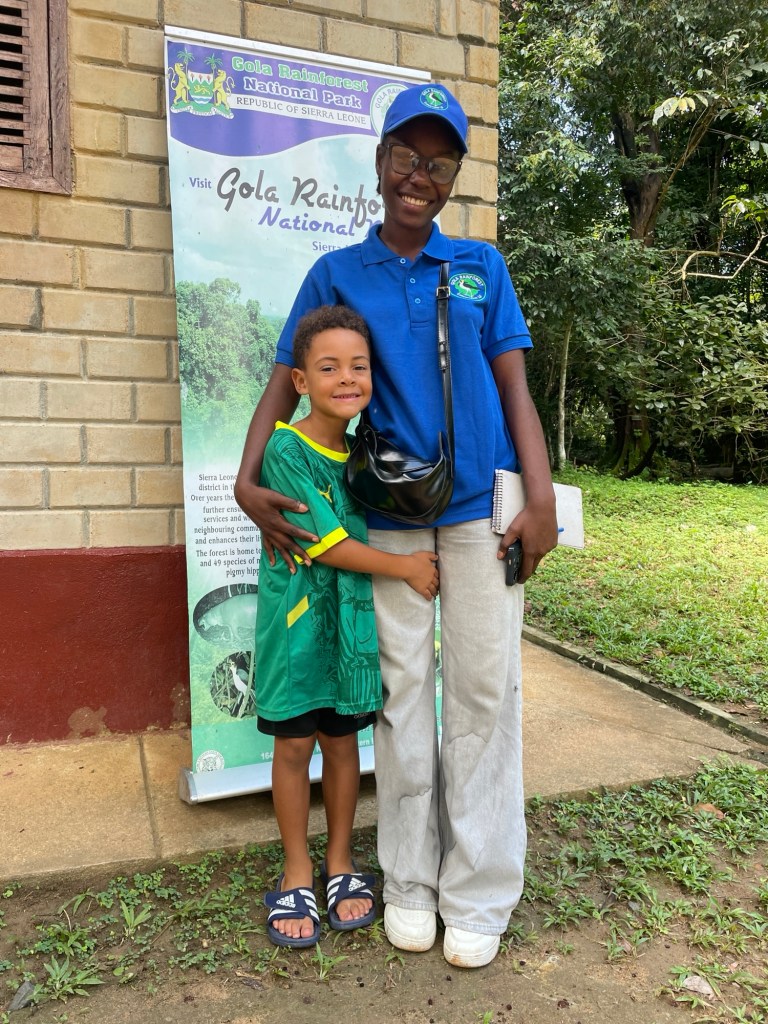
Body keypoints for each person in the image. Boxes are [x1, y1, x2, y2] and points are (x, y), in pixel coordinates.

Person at [236, 83, 559, 968]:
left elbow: (515, 386)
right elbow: (283, 380)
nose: (422, 176)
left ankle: (478, 890)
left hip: (484, 511)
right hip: (388, 517)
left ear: (453, 178)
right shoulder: (336, 273)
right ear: (380, 165)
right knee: (402, 697)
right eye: (408, 158)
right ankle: (411, 880)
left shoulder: (481, 266)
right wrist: (245, 479)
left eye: (440, 164)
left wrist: (539, 497)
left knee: (485, 695)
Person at [253, 304, 439, 949]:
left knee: (341, 744)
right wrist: (406, 568)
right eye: (328, 367)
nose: (346, 378)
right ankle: (297, 869)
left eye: (359, 366)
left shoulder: (365, 452)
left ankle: (339, 860)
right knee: (293, 746)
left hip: (351, 627)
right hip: (298, 627)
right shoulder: (285, 448)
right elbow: (325, 543)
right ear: (300, 381)